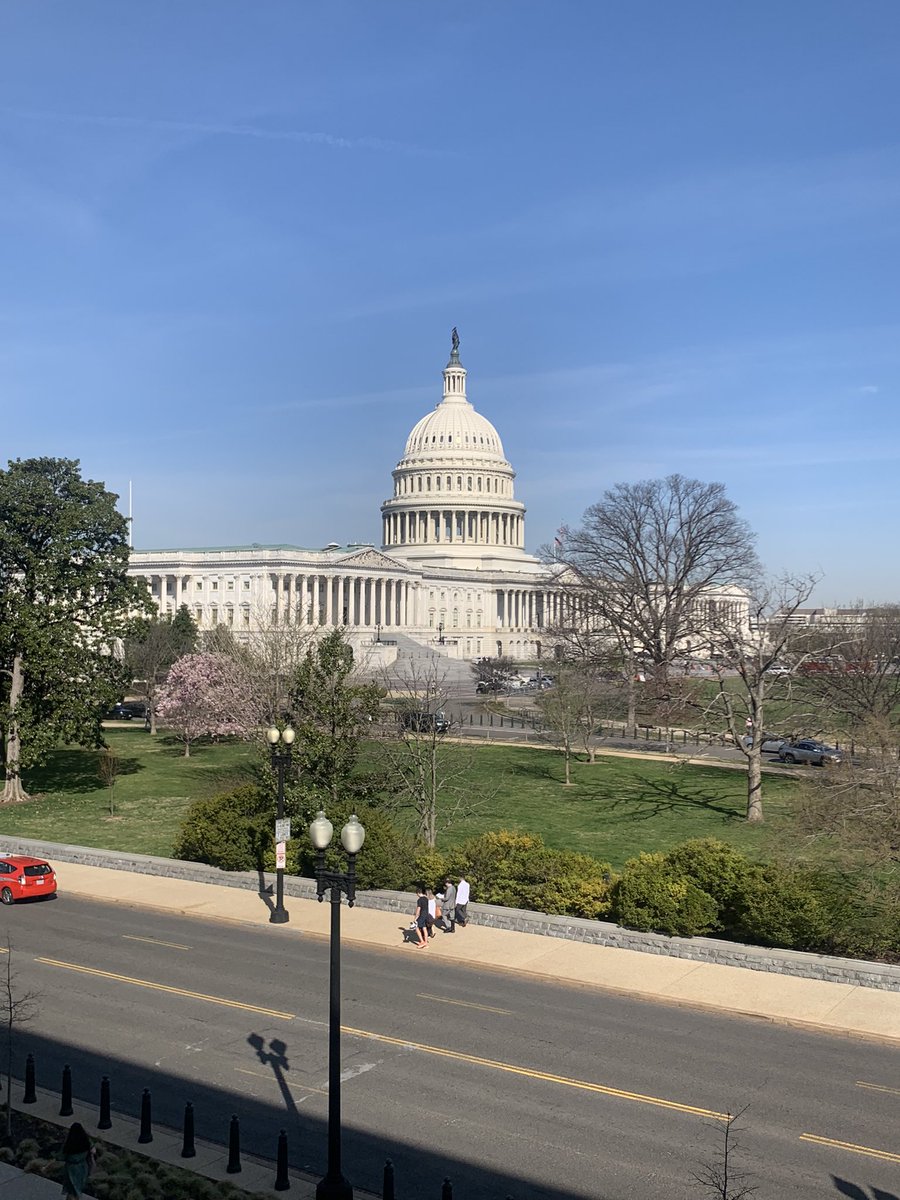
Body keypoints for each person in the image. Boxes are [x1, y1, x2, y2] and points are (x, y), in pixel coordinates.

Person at [60, 1122, 93, 1199]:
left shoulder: (69, 1144)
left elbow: (61, 1157)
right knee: (78, 1187)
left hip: (71, 1169)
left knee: (72, 1189)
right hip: (83, 1167)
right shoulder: (86, 1141)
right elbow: (92, 1148)